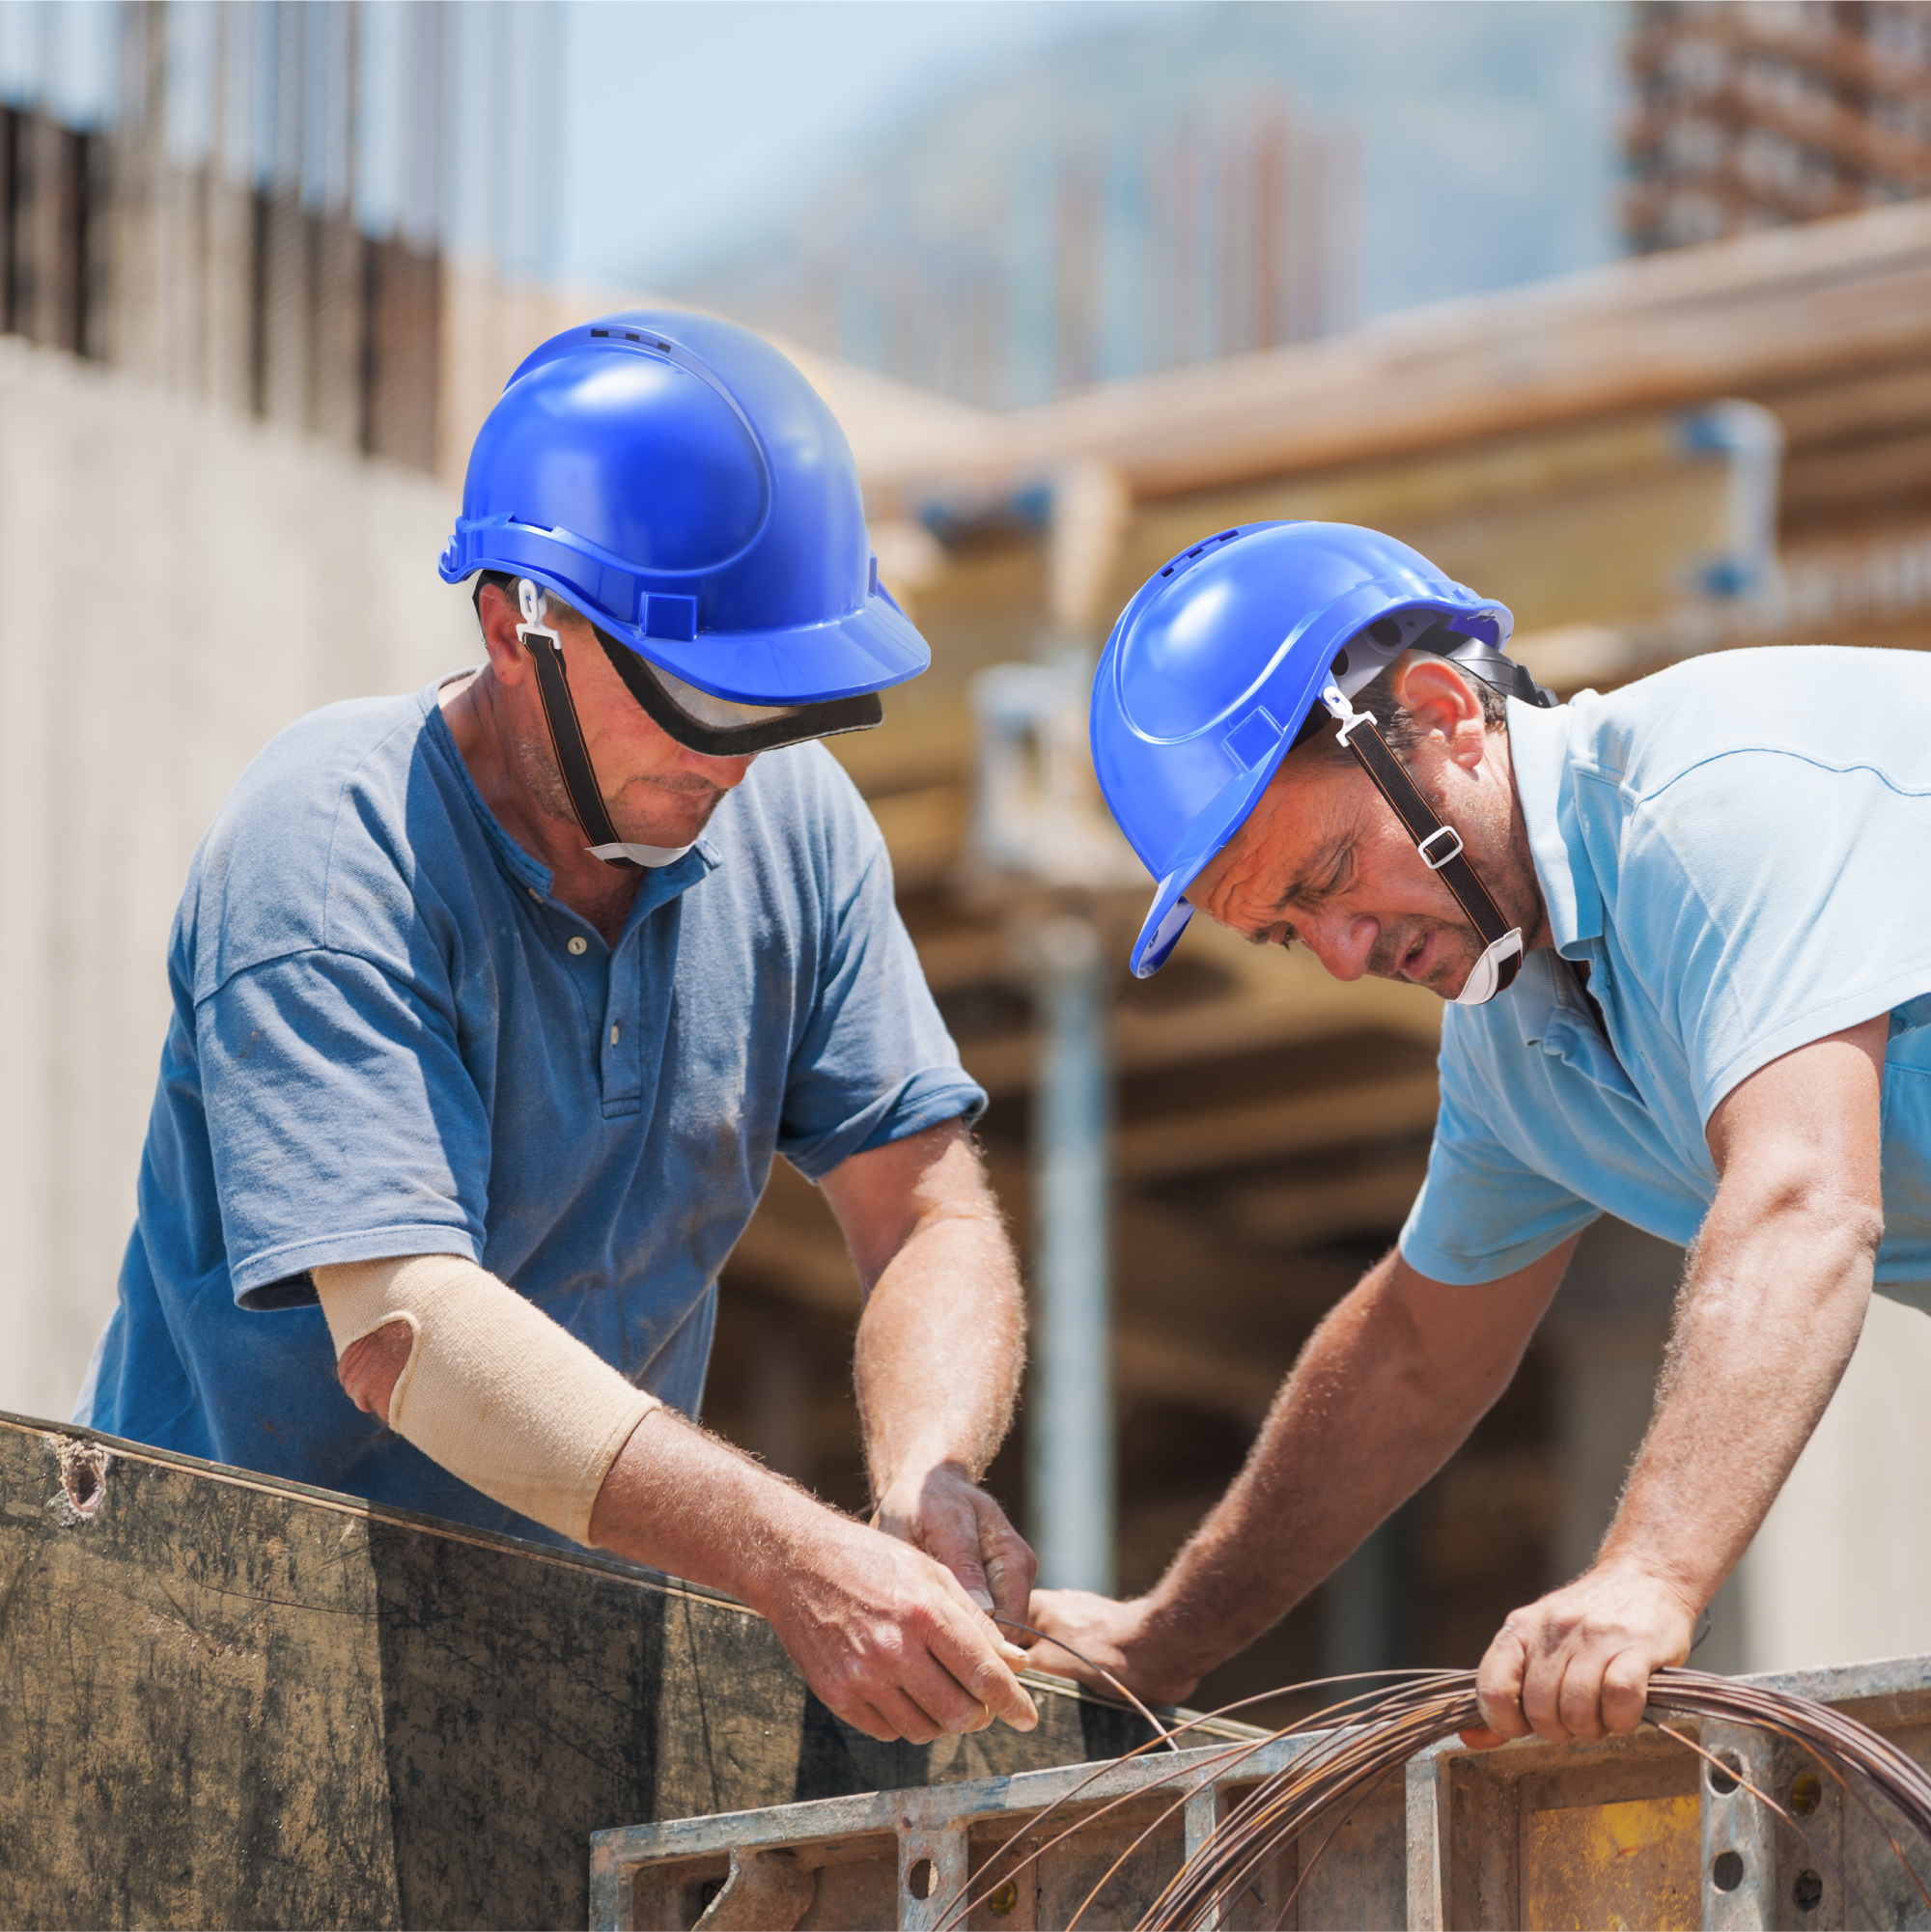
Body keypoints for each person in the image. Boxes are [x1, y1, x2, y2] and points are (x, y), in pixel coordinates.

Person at [77, 311, 1039, 1748]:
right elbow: (408, 1332)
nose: (732, 755)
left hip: (564, 1680)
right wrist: (790, 1557)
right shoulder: (333, 842)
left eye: (775, 703)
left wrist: (926, 1480)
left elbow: (926, 1213)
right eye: (697, 697)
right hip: (209, 1664)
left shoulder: (795, 829)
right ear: (513, 625)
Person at [1024, 518, 1931, 1750]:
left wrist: (1646, 1576)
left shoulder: (1713, 797)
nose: (1344, 958)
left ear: (1446, 710)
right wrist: (1164, 1639)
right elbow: (1412, 1354)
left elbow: (1801, 1205)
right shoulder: (1515, 1047)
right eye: (1289, 932)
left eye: (1330, 871)